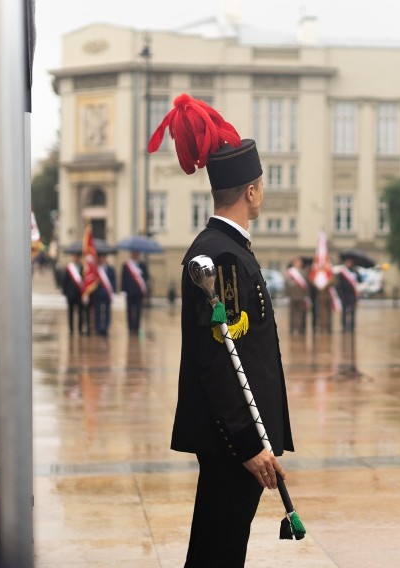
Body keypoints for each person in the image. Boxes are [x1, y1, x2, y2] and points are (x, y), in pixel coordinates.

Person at [151, 94, 294, 567]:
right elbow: (222, 360)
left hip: (233, 436)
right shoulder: (223, 255)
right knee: (218, 551)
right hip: (233, 440)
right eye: (261, 186)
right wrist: (250, 444)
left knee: (220, 546)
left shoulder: (223, 248)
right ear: (251, 192)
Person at [121, 250, 148, 335]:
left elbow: (146, 276)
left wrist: (141, 275)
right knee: (129, 311)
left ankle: (136, 328)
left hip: (139, 292)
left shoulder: (142, 265)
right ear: (131, 254)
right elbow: (123, 278)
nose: (135, 255)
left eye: (137, 253)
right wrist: (123, 290)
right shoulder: (126, 265)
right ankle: (130, 328)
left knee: (138, 311)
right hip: (129, 292)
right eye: (134, 253)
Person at [61, 252, 87, 336]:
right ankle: (71, 329)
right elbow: (65, 281)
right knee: (71, 313)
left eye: (77, 257)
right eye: (74, 257)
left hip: (79, 294)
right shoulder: (69, 268)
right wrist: (65, 292)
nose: (75, 258)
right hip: (70, 294)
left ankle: (80, 329)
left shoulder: (83, 268)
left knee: (80, 312)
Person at [284, 256, 310, 335]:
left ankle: (300, 328)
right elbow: (286, 285)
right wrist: (286, 295)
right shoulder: (290, 272)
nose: (299, 263)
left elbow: (306, 285)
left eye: (300, 262)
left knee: (300, 313)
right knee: (292, 313)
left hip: (301, 296)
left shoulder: (304, 272)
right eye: (297, 262)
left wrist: (306, 296)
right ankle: (292, 328)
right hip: (292, 296)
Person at [91, 253, 116, 336]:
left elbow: (113, 281)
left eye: (103, 258)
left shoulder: (110, 269)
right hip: (98, 294)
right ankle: (98, 328)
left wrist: (113, 292)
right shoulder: (95, 270)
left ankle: (105, 327)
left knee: (107, 312)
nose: (102, 260)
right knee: (97, 312)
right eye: (100, 258)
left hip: (107, 294)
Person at [335, 256, 361, 333]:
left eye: (350, 262)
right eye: (347, 262)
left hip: (352, 295)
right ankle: (344, 327)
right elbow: (338, 284)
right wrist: (340, 294)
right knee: (344, 312)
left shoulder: (355, 271)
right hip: (344, 294)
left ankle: (352, 327)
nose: (349, 263)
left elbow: (359, 280)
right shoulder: (342, 273)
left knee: (352, 312)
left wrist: (357, 275)